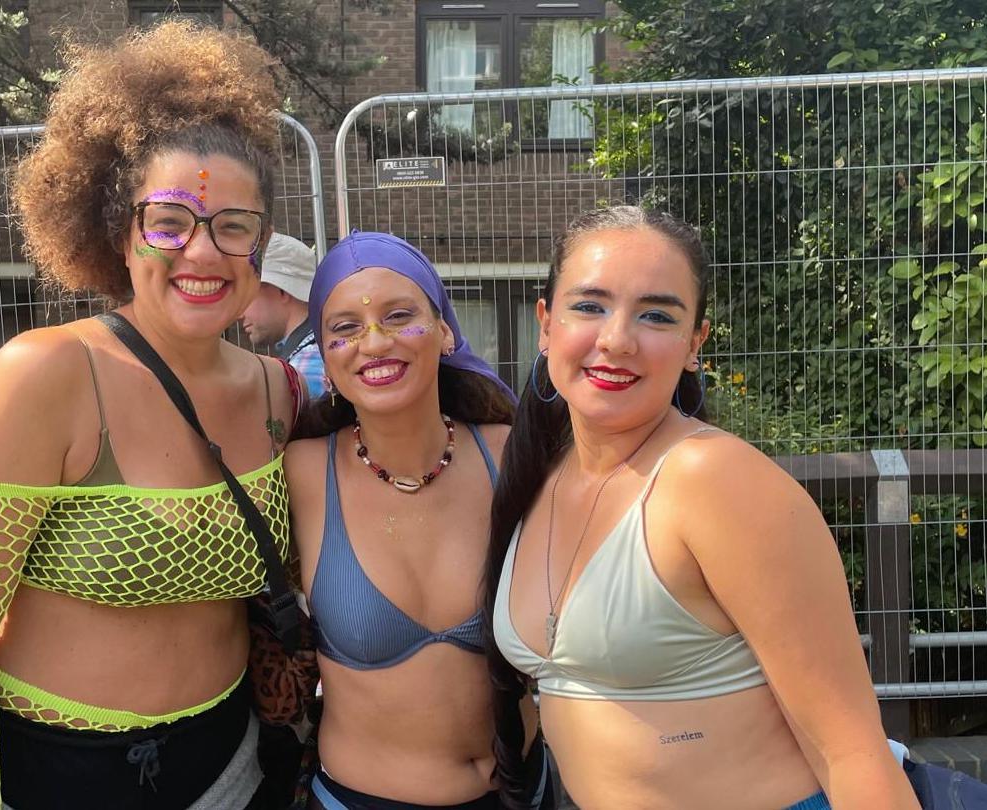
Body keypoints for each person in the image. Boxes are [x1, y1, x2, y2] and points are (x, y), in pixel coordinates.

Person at [0, 22, 305, 810]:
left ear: (261, 244)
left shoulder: (281, 393)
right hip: (29, 776)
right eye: (169, 221)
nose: (201, 252)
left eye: (231, 227)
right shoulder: (44, 375)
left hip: (222, 773)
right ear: (120, 232)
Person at [484, 206, 919, 810]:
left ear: (694, 344)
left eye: (656, 315)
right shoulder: (540, 472)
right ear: (545, 324)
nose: (616, 339)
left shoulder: (714, 479)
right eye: (589, 306)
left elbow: (851, 751)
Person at [285, 231, 553, 810]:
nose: (374, 342)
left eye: (399, 316)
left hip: (523, 790)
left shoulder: (510, 456)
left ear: (446, 330)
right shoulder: (299, 474)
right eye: (345, 329)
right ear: (325, 359)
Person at [241, 233, 327, 398]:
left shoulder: (306, 367)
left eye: (247, 296)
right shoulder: (315, 349)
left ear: (282, 291)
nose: (239, 313)